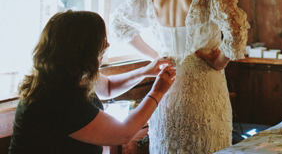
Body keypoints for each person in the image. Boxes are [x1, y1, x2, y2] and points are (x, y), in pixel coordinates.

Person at [110, 0, 250, 153]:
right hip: (205, 90)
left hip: (165, 91)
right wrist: (217, 61)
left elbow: (119, 25)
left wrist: (157, 56)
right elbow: (237, 34)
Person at [9, 10, 176, 154]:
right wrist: (157, 92)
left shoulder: (63, 73)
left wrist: (145, 72)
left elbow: (108, 87)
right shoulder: (57, 98)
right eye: (101, 39)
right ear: (82, 48)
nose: (107, 44)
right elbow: (123, 133)